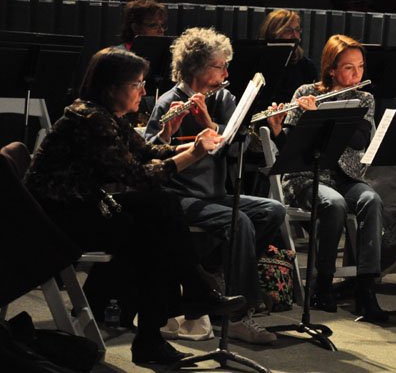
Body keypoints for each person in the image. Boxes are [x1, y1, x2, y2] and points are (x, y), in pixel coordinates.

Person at [24, 47, 245, 365]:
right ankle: (169, 321)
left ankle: (180, 308)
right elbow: (139, 176)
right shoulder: (89, 119)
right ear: (111, 87)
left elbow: (146, 151)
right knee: (156, 230)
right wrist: (194, 154)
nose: (143, 91)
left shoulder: (105, 115)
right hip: (58, 220)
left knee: (163, 208)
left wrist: (193, 143)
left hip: (84, 206)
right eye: (136, 84)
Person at [144, 27, 285, 345]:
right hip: (179, 196)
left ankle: (215, 270)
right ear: (196, 67)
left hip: (214, 193)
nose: (226, 72)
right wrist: (168, 132)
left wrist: (210, 123)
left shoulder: (224, 98)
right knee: (240, 221)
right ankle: (236, 315)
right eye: (220, 66)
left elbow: (236, 150)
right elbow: (150, 159)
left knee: (273, 211)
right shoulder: (169, 101)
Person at [266, 34, 388, 322]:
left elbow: (359, 140)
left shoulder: (364, 97)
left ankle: (366, 287)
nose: (357, 73)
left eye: (360, 66)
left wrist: (321, 114)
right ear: (331, 69)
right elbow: (291, 150)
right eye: (349, 67)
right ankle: (323, 284)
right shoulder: (306, 92)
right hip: (305, 177)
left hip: (346, 176)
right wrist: (277, 129)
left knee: (372, 199)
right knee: (333, 204)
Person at [258, 8, 318, 104]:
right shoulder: (259, 63)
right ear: (274, 33)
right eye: (288, 30)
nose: (295, 35)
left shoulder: (306, 66)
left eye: (297, 30)